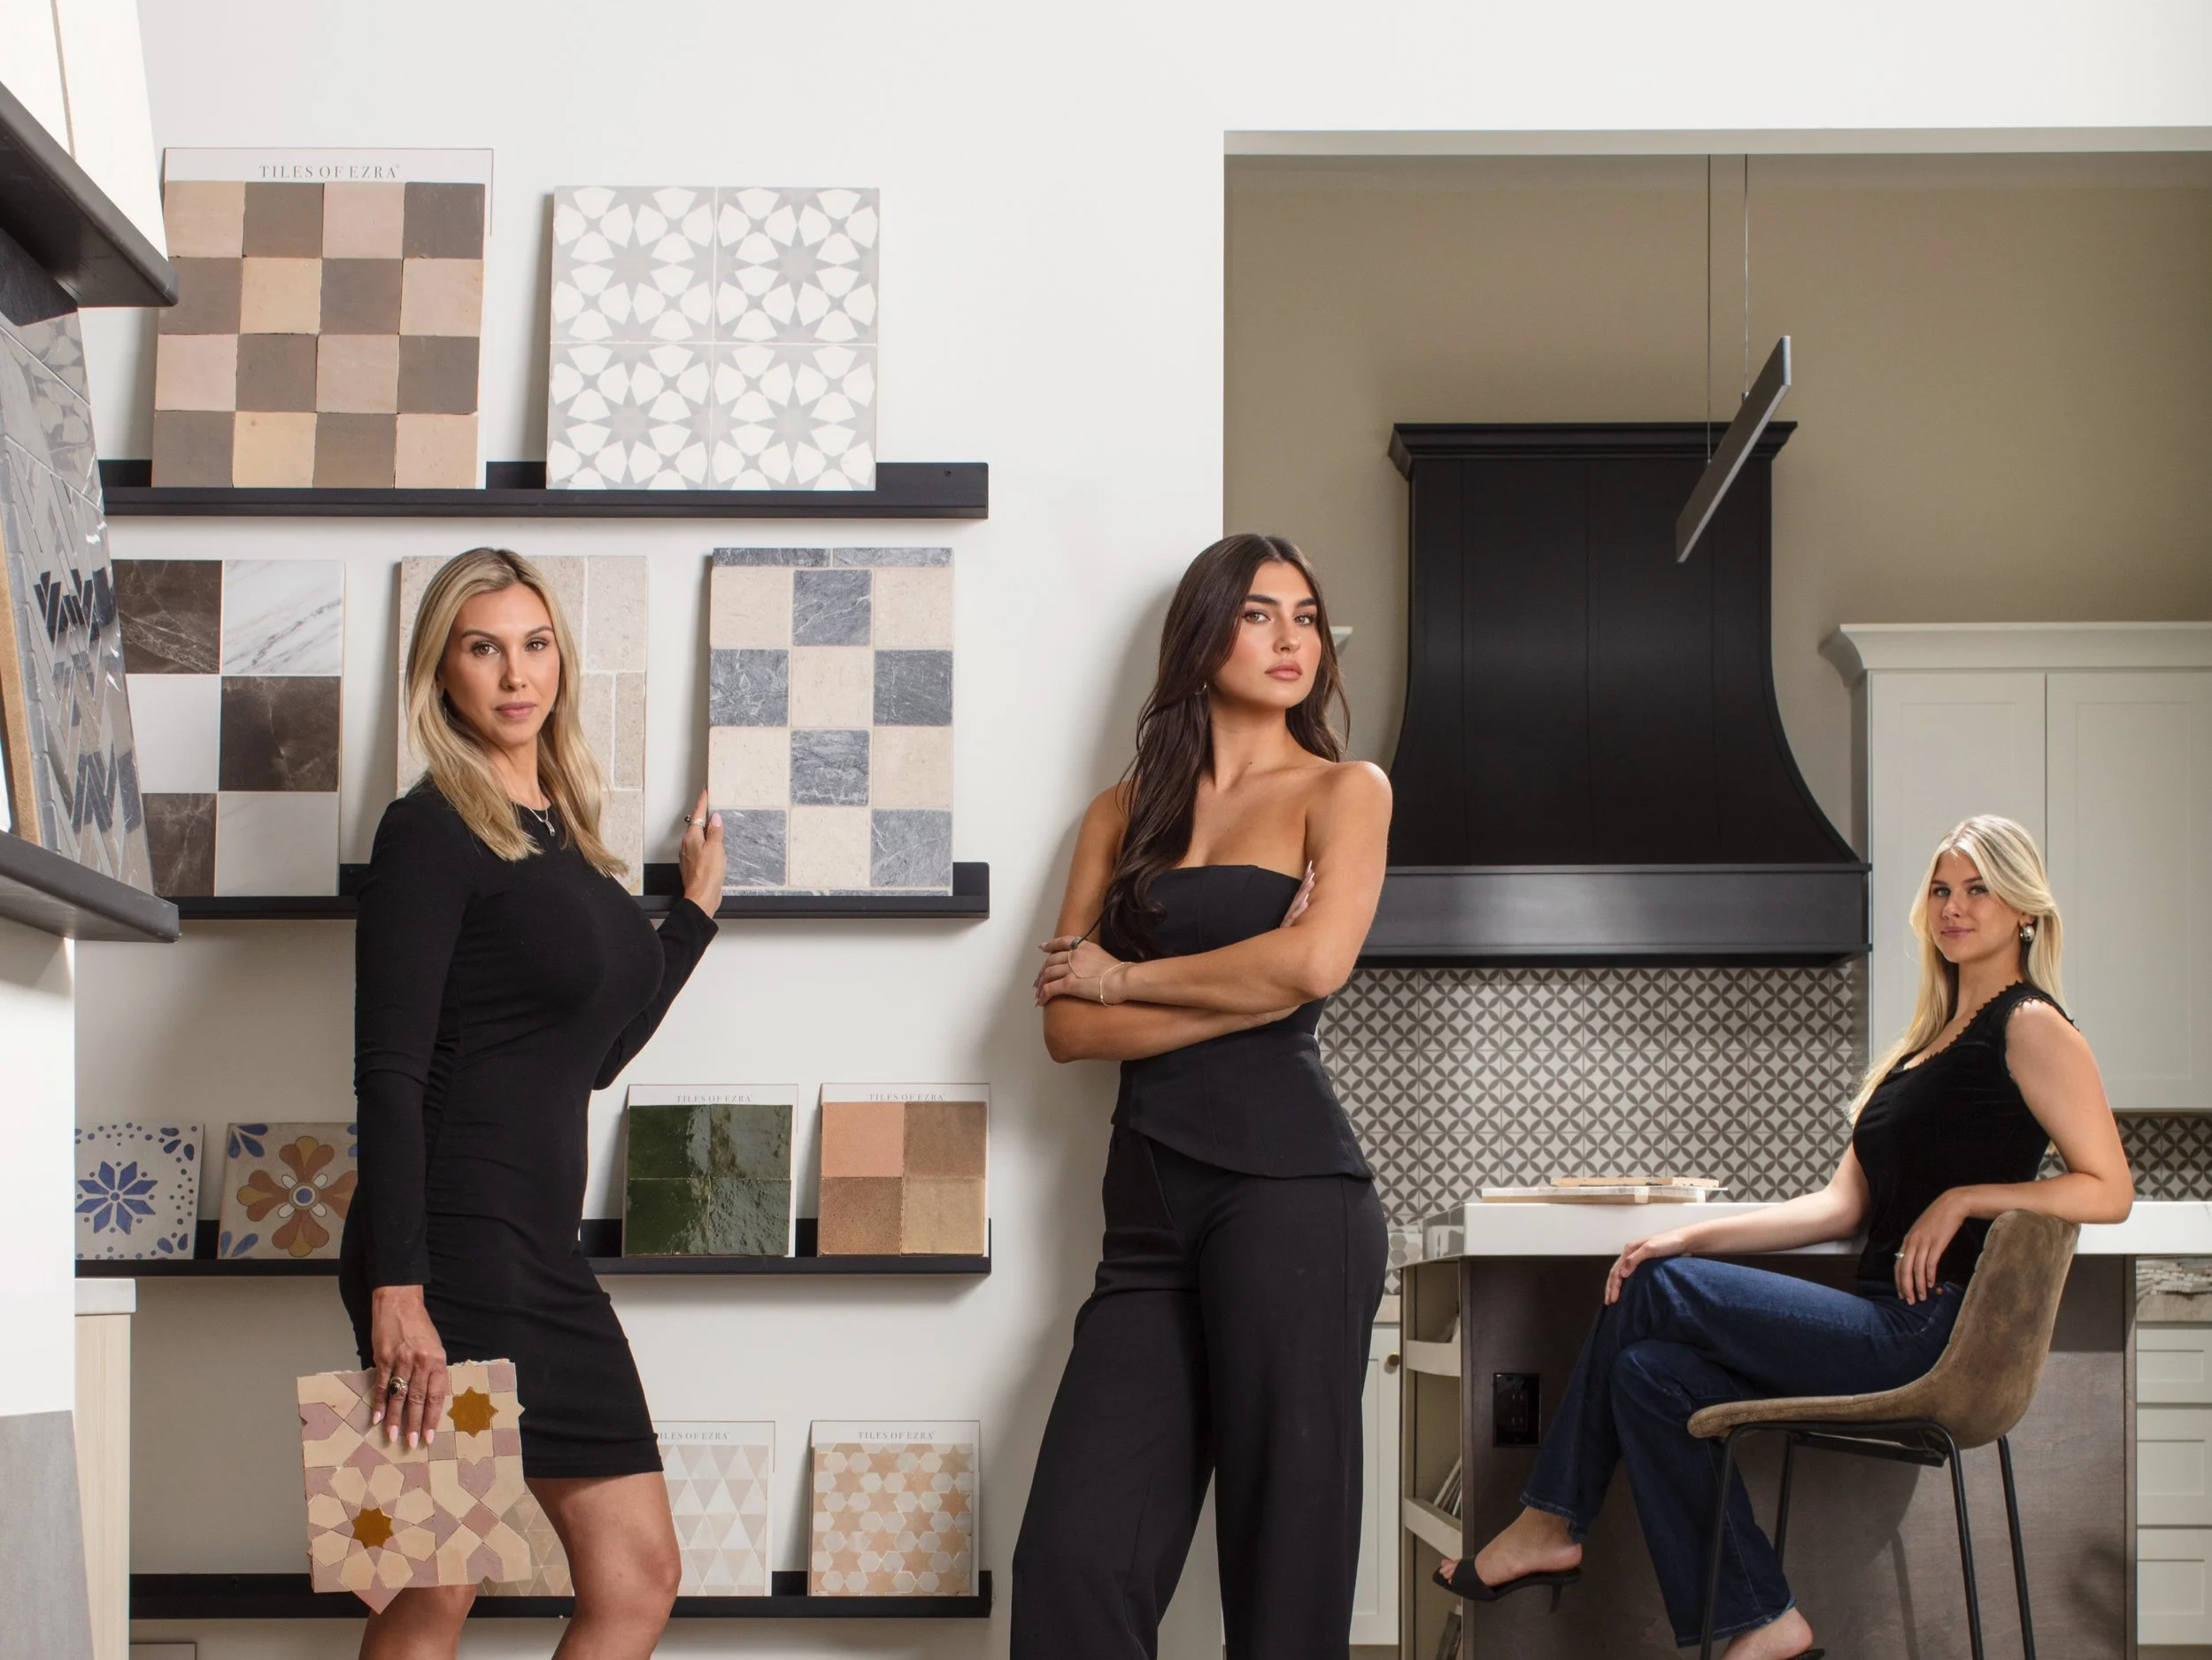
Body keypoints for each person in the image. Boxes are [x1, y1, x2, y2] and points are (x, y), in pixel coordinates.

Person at [1436, 815, 2134, 1659]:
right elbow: (1837, 1206)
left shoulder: (2029, 1024)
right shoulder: (1921, 1046)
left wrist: (1963, 1198)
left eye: (1977, 888)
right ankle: (1763, 1619)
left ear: (2023, 909)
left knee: (1653, 1294)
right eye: (1942, 890)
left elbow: (2109, 1188)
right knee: (1648, 1373)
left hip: (1931, 1335)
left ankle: (1550, 1520)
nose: (1954, 907)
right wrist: (1685, 1234)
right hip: (1884, 1323)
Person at [338, 548, 726, 1660]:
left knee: (637, 1575)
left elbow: (591, 1057)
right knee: (432, 1590)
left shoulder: (558, 836)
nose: (517, 673)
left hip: (534, 1254)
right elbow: (389, 1069)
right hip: (449, 1251)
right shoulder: (428, 833)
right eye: (484, 647)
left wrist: (691, 919)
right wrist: (399, 1287)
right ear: (442, 673)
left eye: (536, 643)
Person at [1012, 534, 1394, 1659]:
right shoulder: (1118, 814)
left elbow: (1315, 968)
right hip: (1147, 1213)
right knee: (1072, 1562)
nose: (1292, 641)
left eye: (1309, 618)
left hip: (1292, 1197)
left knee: (1284, 1565)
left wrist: (1128, 974)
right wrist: (1251, 982)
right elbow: (1066, 1027)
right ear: (1204, 629)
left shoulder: (1344, 790)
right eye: (1262, 614)